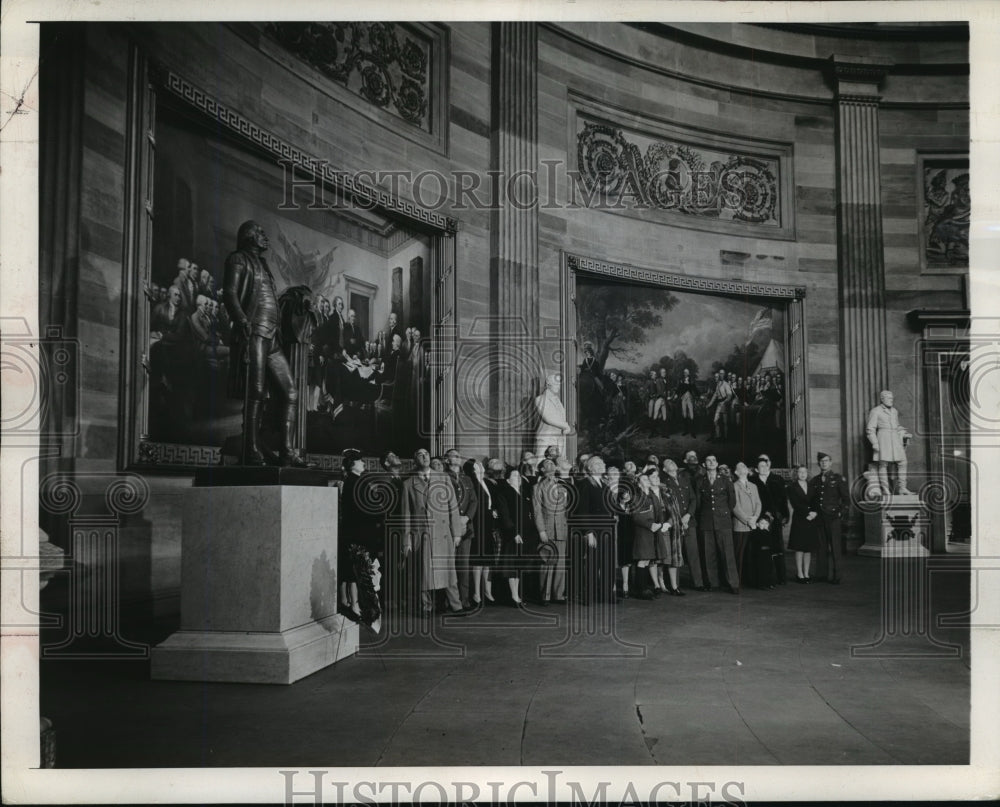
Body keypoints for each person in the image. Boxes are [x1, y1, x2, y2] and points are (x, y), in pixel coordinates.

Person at [222, 220, 308, 467]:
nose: (264, 236)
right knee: (256, 391)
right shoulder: (238, 259)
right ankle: (250, 450)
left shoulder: (263, 265)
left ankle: (287, 451)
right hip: (254, 332)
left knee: (291, 392)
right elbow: (230, 293)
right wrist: (241, 321)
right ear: (248, 236)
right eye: (260, 232)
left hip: (272, 337)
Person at [401, 448, 468, 616]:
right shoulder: (408, 484)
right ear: (415, 460)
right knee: (424, 572)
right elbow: (406, 515)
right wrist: (406, 540)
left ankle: (456, 605)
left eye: (426, 454)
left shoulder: (443, 478)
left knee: (448, 570)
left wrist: (457, 533)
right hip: (422, 534)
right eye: (419, 454)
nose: (424, 456)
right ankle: (426, 607)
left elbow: (453, 506)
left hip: (443, 531)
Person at [338, 448, 382, 632]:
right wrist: (379, 510)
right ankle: (355, 606)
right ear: (352, 464)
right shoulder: (355, 482)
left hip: (356, 532)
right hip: (358, 533)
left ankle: (353, 605)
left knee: (354, 572)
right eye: (360, 461)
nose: (363, 463)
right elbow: (363, 508)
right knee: (356, 571)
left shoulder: (354, 481)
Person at [573, 455, 616, 605]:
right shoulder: (585, 483)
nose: (602, 465)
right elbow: (582, 510)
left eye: (602, 462)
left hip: (606, 530)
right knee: (593, 564)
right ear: (590, 468)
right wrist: (588, 531)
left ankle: (606, 594)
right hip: (594, 530)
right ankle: (589, 596)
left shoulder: (604, 484)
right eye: (598, 463)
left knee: (607, 563)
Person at [694, 454, 739, 594]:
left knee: (728, 554)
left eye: (714, 460)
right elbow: (698, 502)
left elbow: (732, 501)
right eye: (708, 460)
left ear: (717, 463)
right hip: (706, 521)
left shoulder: (726, 480)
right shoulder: (700, 481)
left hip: (723, 521)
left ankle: (733, 583)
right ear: (704, 464)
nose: (711, 462)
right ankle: (713, 583)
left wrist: (723, 513)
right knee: (709, 554)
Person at [808, 452, 850, 584]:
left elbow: (846, 499)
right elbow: (812, 500)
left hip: (833, 518)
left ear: (830, 463)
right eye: (821, 461)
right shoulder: (814, 480)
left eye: (826, 461)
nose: (824, 463)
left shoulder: (838, 479)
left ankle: (837, 576)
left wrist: (840, 513)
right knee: (821, 547)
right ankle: (821, 575)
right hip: (819, 518)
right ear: (818, 464)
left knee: (836, 547)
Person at [533, 457, 570, 604]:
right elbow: (537, 511)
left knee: (560, 563)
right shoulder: (538, 487)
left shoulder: (562, 485)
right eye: (547, 464)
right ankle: (545, 595)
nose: (551, 465)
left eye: (552, 463)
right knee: (547, 562)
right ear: (541, 469)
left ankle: (558, 594)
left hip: (561, 528)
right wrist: (541, 530)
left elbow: (566, 508)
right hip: (547, 529)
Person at [495, 464, 532, 606]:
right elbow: (505, 516)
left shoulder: (523, 493)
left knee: (519, 565)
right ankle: (514, 596)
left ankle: (517, 595)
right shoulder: (504, 493)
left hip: (525, 534)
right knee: (511, 566)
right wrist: (513, 533)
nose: (518, 478)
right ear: (508, 480)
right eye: (515, 476)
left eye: (519, 476)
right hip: (513, 535)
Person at [445, 448, 478, 610]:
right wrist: (455, 519)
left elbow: (474, 501)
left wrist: (467, 517)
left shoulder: (467, 479)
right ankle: (450, 602)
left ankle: (465, 600)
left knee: (464, 567)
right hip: (449, 529)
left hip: (466, 528)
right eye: (454, 456)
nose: (458, 459)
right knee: (449, 567)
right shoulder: (443, 477)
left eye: (459, 456)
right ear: (447, 460)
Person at [751, 455, 790, 585]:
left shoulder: (777, 479)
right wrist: (760, 517)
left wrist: (785, 516)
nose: (764, 467)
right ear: (756, 469)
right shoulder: (753, 481)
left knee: (778, 547)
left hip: (776, 518)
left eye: (765, 465)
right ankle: (766, 578)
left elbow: (783, 500)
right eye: (761, 466)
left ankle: (781, 577)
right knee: (764, 549)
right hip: (761, 520)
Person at [865, 389, 913, 495]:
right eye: (889, 398)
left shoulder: (894, 411)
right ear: (882, 399)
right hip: (883, 438)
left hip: (895, 439)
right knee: (883, 464)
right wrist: (875, 442)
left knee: (902, 462)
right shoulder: (876, 411)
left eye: (892, 398)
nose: (891, 400)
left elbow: (896, 426)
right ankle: (885, 489)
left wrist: (904, 433)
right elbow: (870, 429)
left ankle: (902, 488)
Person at [464, 457, 497, 606]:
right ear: (472, 469)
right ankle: (476, 593)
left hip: (487, 524)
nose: (481, 465)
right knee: (478, 558)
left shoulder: (486, 482)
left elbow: (490, 503)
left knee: (487, 559)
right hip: (478, 524)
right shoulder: (471, 482)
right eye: (477, 464)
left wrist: (493, 512)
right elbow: (473, 504)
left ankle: (487, 592)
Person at [630, 469, 666, 600]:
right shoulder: (636, 497)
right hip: (643, 531)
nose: (648, 481)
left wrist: (660, 524)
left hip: (654, 532)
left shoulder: (653, 496)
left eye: (647, 479)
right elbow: (635, 517)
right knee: (642, 559)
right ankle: (641, 589)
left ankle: (644, 588)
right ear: (639, 484)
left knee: (647, 559)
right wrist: (650, 525)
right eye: (644, 480)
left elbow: (660, 513)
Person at [661, 458, 696, 593]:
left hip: (689, 521)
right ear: (664, 469)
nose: (672, 463)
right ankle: (675, 585)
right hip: (675, 523)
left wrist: (688, 515)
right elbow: (667, 505)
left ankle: (698, 583)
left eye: (673, 461)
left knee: (693, 553)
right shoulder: (664, 483)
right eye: (668, 463)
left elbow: (693, 499)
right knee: (675, 554)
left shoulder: (685, 479)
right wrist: (679, 519)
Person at [732, 461, 766, 589]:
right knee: (739, 554)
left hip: (753, 524)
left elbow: (758, 503)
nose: (743, 468)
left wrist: (755, 518)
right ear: (736, 472)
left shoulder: (753, 486)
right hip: (741, 526)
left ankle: (751, 580)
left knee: (752, 553)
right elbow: (735, 507)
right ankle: (738, 581)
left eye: (745, 466)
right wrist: (747, 520)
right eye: (740, 467)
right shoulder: (734, 486)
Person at [786, 464, 818, 583]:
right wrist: (808, 513)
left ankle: (806, 573)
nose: (803, 474)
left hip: (811, 519)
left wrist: (814, 512)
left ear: (807, 473)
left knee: (808, 548)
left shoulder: (812, 486)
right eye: (800, 472)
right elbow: (795, 504)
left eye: (804, 472)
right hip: (800, 519)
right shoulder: (791, 487)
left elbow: (815, 501)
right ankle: (800, 574)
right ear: (796, 474)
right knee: (799, 547)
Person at [534, 374, 572, 458]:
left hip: (559, 438)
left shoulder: (558, 401)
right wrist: (566, 426)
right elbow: (548, 418)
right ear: (548, 385)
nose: (559, 387)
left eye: (559, 384)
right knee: (541, 463)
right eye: (556, 384)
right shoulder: (540, 399)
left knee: (559, 465)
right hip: (546, 437)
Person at [677, 368, 697, 436]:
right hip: (683, 398)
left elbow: (695, 389)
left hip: (689, 397)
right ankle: (686, 430)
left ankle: (693, 432)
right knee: (684, 414)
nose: (685, 373)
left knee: (691, 414)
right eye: (684, 372)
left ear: (688, 373)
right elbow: (678, 389)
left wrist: (699, 395)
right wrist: (675, 395)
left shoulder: (691, 380)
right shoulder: (681, 380)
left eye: (686, 372)